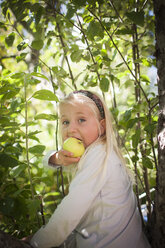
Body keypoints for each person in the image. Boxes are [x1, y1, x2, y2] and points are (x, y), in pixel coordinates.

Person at [30, 90, 151, 248]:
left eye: (81, 120)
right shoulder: (98, 151)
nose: (71, 129)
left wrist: (37, 242)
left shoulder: (99, 158)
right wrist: (57, 158)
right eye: (65, 122)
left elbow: (69, 212)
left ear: (101, 126)